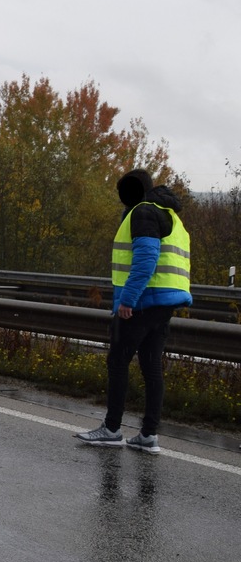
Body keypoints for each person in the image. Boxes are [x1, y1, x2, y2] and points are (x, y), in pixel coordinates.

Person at [76, 168, 192, 455]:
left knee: (117, 362)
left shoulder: (142, 212)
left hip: (142, 301)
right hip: (164, 302)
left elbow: (146, 258)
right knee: (152, 366)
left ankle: (112, 429)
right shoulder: (171, 215)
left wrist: (127, 299)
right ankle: (148, 435)